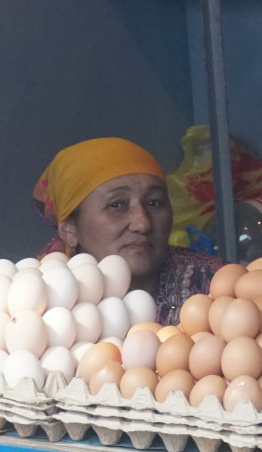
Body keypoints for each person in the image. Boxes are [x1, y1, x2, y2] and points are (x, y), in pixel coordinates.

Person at [33, 137, 223, 324]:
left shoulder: (215, 284)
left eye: (154, 202)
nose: (142, 223)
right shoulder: (44, 308)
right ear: (69, 229)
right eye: (116, 205)